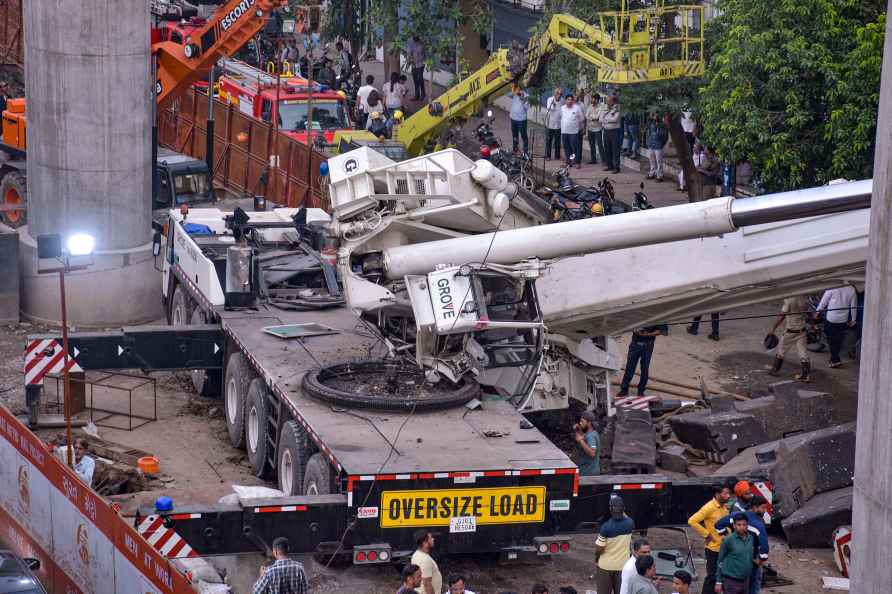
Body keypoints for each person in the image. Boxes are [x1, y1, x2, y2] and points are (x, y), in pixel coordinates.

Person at [715, 497, 771, 594]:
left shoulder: (736, 516)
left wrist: (727, 536)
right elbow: (765, 549)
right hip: (751, 564)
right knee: (752, 588)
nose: (764, 511)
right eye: (762, 508)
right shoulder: (758, 524)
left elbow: (718, 525)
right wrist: (760, 560)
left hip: (734, 565)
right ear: (754, 507)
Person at [687, 483, 731, 594]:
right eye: (725, 493)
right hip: (713, 549)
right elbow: (692, 521)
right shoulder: (709, 507)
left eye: (728, 493)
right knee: (712, 577)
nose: (728, 496)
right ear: (717, 494)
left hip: (725, 547)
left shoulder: (724, 507)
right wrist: (707, 534)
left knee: (722, 576)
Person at [767, 294, 812, 382]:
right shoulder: (805, 298)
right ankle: (806, 376)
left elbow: (782, 316)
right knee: (803, 352)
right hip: (802, 330)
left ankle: (775, 370)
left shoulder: (789, 300)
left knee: (781, 350)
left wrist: (773, 328)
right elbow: (809, 314)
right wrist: (813, 324)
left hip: (790, 331)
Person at [595, 495, 635, 594]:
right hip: (623, 566)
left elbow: (599, 548)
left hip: (605, 567)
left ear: (610, 509)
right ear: (624, 509)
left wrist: (597, 557)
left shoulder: (605, 527)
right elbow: (626, 517)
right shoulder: (630, 524)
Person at [616, 324, 668, 397]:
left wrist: (648, 334)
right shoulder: (638, 313)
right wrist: (635, 330)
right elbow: (629, 324)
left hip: (647, 346)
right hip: (635, 344)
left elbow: (662, 331)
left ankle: (641, 390)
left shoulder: (658, 316)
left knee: (644, 369)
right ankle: (624, 389)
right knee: (630, 367)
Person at [816, 284, 858, 368]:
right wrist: (853, 319)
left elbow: (824, 301)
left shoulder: (833, 286)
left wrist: (817, 312)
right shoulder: (852, 289)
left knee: (831, 340)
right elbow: (854, 306)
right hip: (843, 319)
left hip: (831, 318)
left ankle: (835, 360)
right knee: (838, 340)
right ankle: (834, 359)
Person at [715, 514, 754, 594]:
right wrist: (718, 582)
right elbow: (720, 561)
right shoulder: (728, 540)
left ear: (747, 525)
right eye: (739, 525)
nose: (742, 527)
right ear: (734, 526)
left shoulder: (751, 538)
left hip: (746, 581)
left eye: (744, 524)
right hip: (731, 582)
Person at [574, 410, 600, 476]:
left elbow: (592, 453)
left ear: (589, 423)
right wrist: (577, 429)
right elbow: (581, 435)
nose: (580, 423)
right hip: (587, 471)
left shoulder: (590, 436)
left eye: (582, 421)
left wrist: (581, 441)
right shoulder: (592, 433)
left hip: (588, 473)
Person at [560, 94, 584, 166]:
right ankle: (569, 161)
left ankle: (577, 162)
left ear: (573, 101)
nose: (570, 101)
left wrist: (575, 123)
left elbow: (582, 118)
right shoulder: (562, 108)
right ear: (565, 100)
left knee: (574, 148)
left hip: (573, 132)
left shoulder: (577, 108)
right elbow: (561, 117)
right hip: (564, 131)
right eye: (568, 99)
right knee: (567, 148)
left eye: (571, 100)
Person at [600, 95, 622, 173]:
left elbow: (615, 119)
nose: (607, 102)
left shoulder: (617, 109)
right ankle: (609, 165)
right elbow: (600, 118)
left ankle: (616, 167)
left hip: (614, 131)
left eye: (609, 100)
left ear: (613, 101)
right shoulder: (605, 108)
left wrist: (605, 120)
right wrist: (607, 120)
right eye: (607, 100)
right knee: (607, 149)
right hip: (606, 131)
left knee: (615, 149)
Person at [645, 113, 668, 181]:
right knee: (652, 161)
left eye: (656, 115)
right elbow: (648, 132)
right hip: (651, 144)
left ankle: (660, 176)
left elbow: (665, 136)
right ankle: (652, 173)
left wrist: (662, 144)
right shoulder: (651, 123)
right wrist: (648, 142)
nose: (655, 116)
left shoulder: (662, 125)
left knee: (659, 161)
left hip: (658, 145)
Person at [508, 85, 530, 156]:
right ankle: (515, 150)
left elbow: (526, 107)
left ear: (521, 89)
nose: (517, 90)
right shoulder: (514, 94)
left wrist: (522, 99)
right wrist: (513, 91)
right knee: (515, 135)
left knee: (524, 136)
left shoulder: (526, 96)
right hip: (513, 118)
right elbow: (508, 95)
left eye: (518, 89)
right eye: (516, 89)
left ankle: (525, 152)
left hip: (521, 120)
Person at [585, 93, 606, 164]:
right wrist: (593, 118)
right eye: (592, 98)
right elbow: (586, 116)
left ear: (597, 100)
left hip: (598, 129)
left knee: (600, 145)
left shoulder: (601, 107)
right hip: (590, 128)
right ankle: (593, 160)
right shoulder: (590, 106)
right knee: (592, 145)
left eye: (593, 99)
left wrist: (592, 117)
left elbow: (598, 117)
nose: (592, 100)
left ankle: (604, 160)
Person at [545, 87, 563, 161]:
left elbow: (562, 111)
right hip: (550, 124)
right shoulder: (550, 99)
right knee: (549, 140)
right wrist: (554, 103)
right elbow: (550, 108)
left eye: (560, 94)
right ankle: (548, 156)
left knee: (557, 141)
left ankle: (557, 156)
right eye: (557, 93)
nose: (559, 95)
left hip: (558, 124)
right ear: (554, 93)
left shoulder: (562, 100)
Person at [408, 36, 426, 100]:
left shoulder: (422, 44)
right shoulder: (412, 44)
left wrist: (418, 60)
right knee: (415, 80)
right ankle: (417, 95)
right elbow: (410, 53)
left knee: (420, 79)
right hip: (414, 65)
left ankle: (423, 94)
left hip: (420, 65)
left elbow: (424, 55)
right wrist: (410, 58)